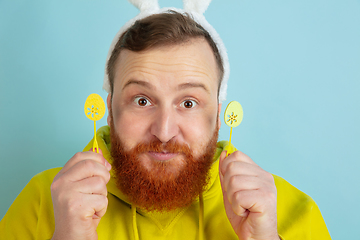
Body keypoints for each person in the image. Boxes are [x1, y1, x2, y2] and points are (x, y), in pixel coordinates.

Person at [0, 2, 331, 240]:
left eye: (188, 102)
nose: (164, 130)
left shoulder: (288, 212)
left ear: (217, 116)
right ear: (110, 110)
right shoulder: (45, 201)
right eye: (142, 100)